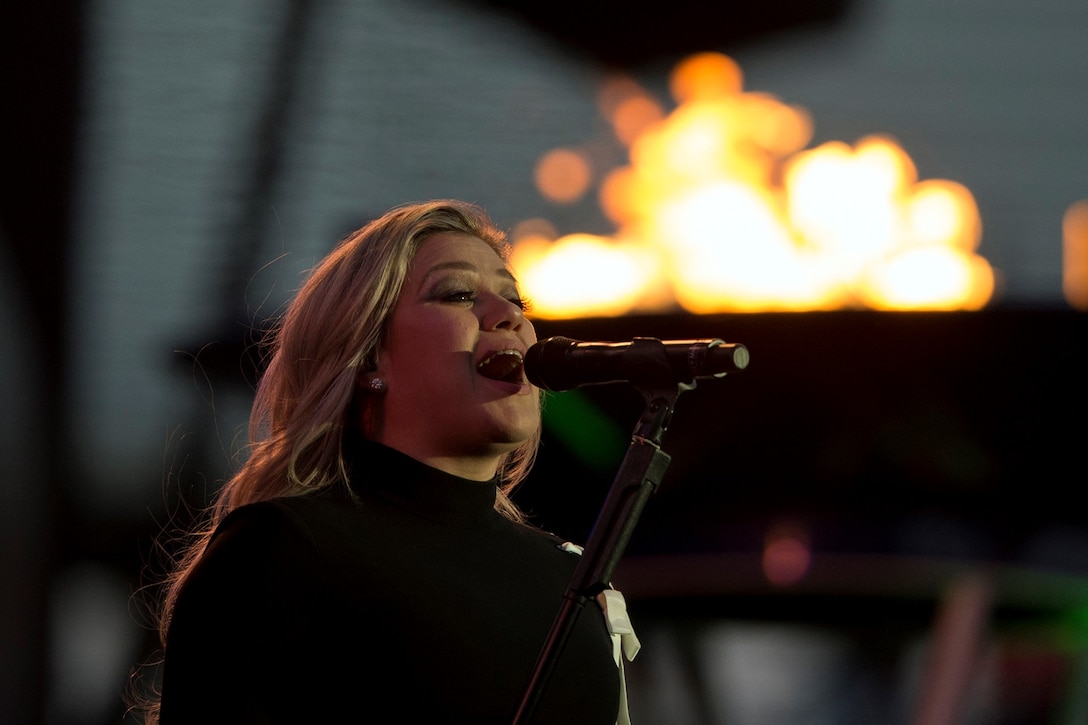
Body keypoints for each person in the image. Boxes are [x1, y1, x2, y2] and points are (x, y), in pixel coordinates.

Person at [133, 200, 638, 724]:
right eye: (459, 294)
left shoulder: (571, 576)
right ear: (370, 355)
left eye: (517, 299)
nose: (510, 315)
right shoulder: (283, 547)